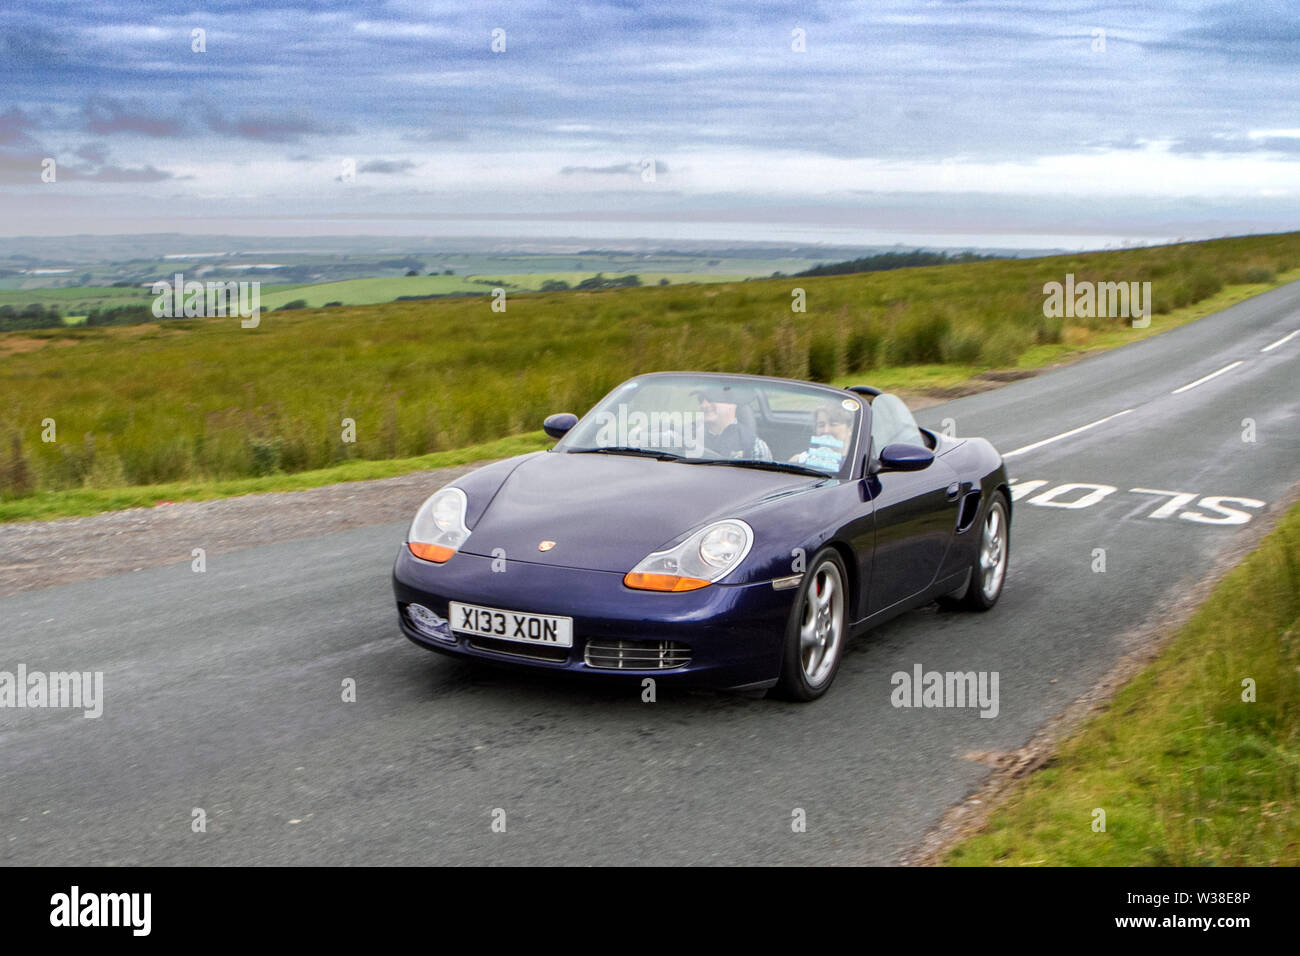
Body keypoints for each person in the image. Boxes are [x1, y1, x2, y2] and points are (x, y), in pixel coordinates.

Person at [790, 401, 853, 472]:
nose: (826, 430)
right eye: (821, 425)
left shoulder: (854, 465)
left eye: (833, 424)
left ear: (849, 429)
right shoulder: (799, 460)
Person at [691, 386, 750, 459]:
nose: (703, 405)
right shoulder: (688, 433)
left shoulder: (752, 444)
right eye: (700, 400)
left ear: (732, 404)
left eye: (710, 399)